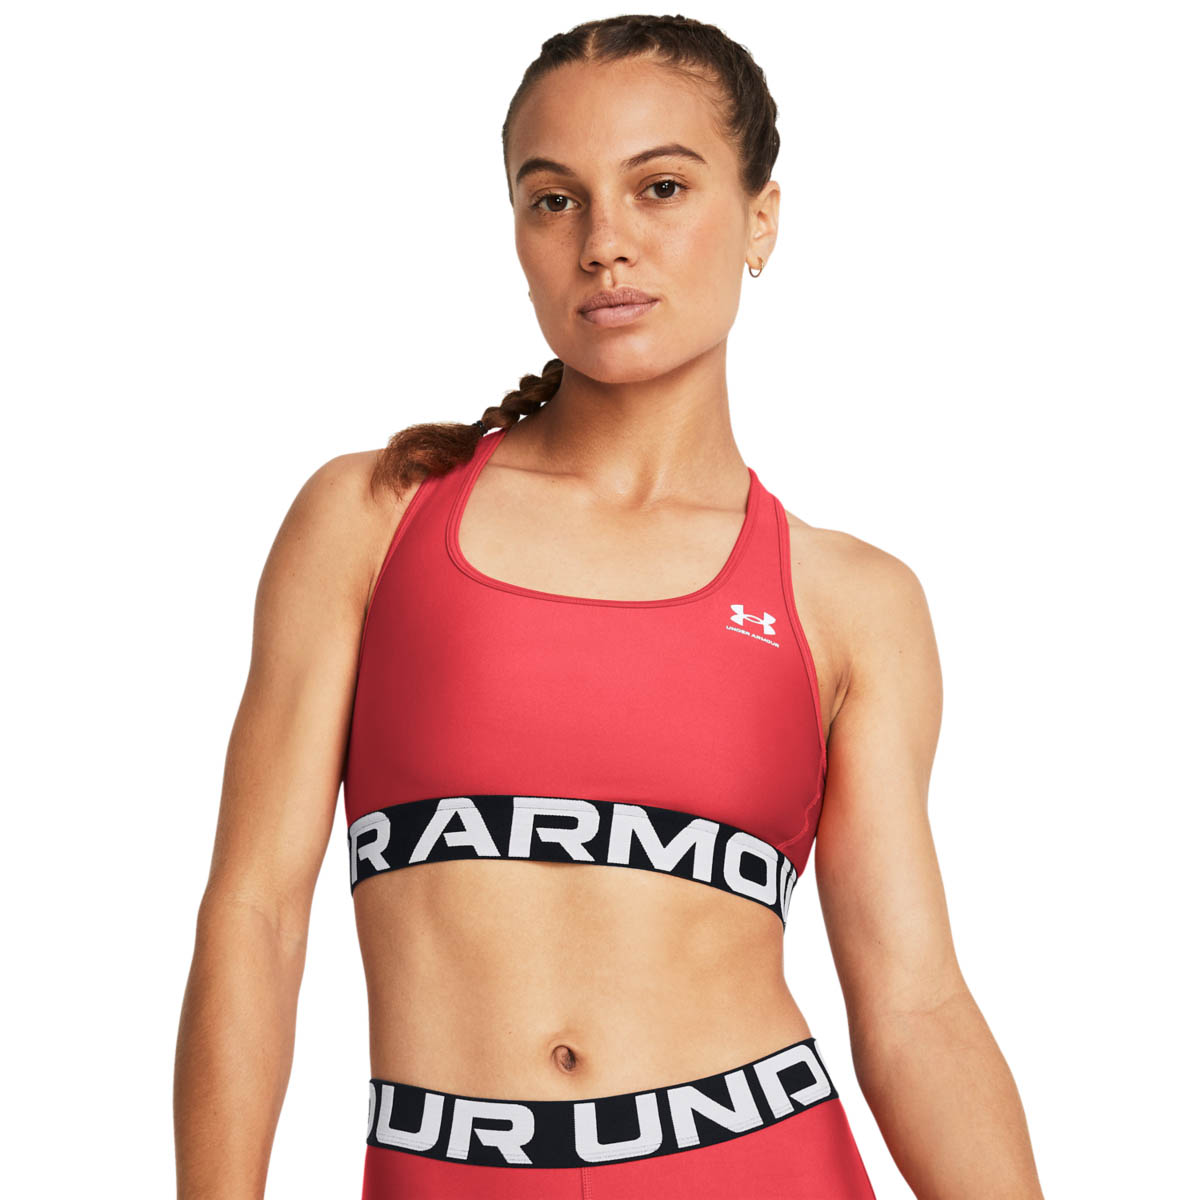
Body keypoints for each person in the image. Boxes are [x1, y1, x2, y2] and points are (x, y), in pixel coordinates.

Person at [174, 14, 1045, 1200]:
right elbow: (255, 917)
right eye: (555, 200)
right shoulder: (374, 521)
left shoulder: (850, 600)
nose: (605, 245)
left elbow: (916, 1007)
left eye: (662, 188)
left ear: (762, 219)